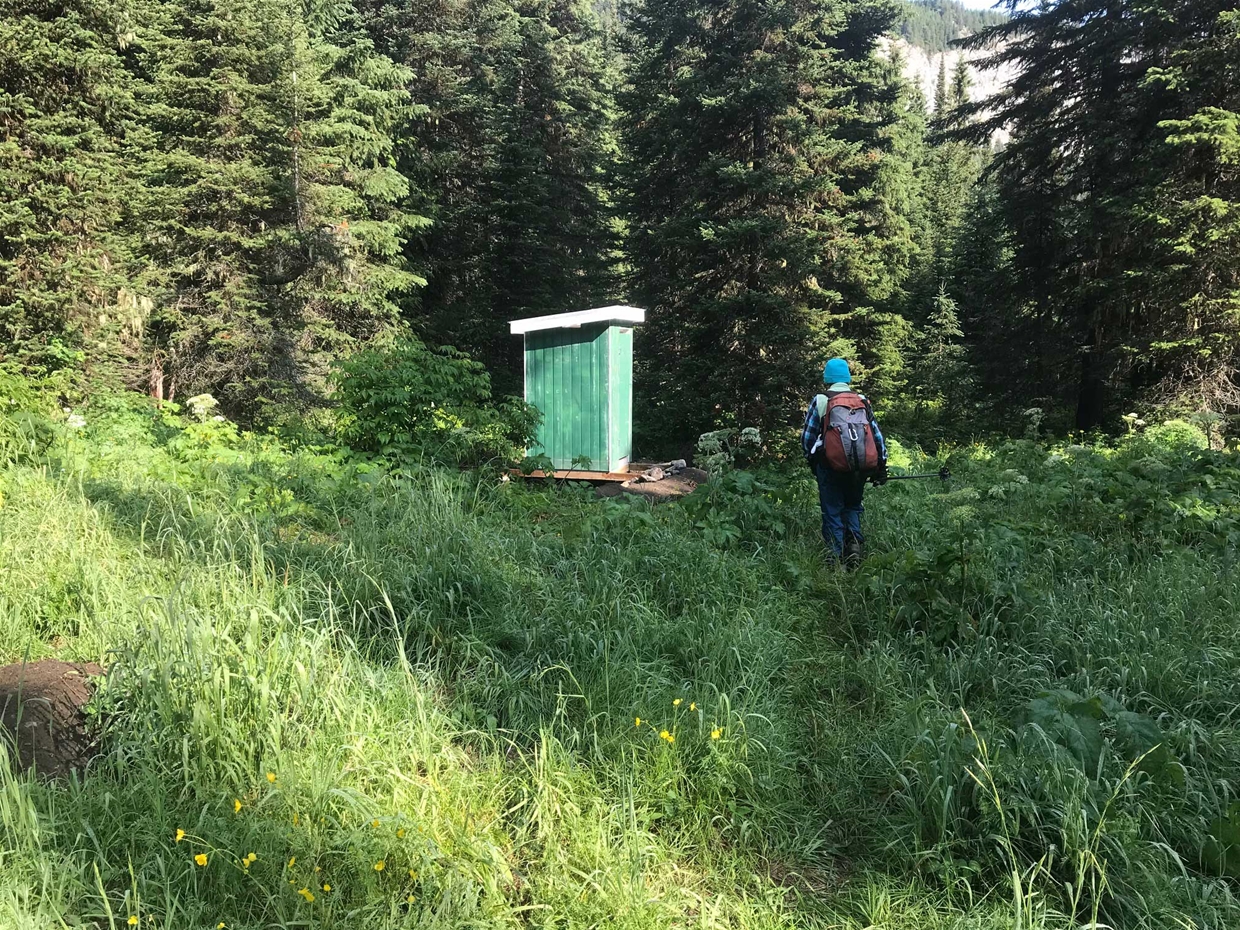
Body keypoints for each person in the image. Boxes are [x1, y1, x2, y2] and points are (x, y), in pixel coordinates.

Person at [800, 358, 887, 567]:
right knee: (853, 506)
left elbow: (807, 438)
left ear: (827, 378)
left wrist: (813, 461)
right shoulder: (861, 399)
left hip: (829, 466)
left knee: (832, 509)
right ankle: (854, 547)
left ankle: (834, 558)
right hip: (859, 467)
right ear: (847, 377)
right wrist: (881, 464)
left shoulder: (821, 400)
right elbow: (876, 435)